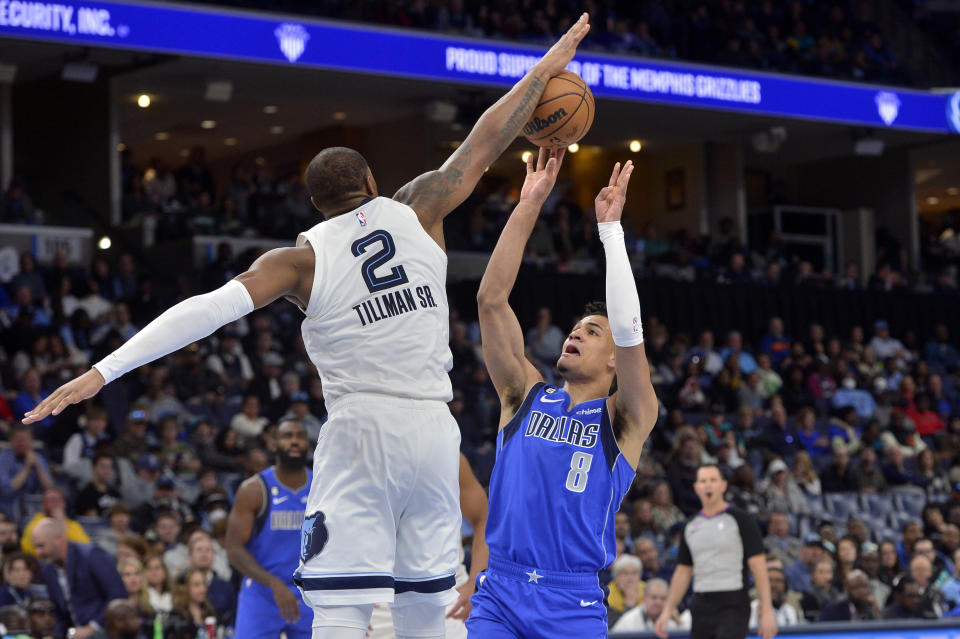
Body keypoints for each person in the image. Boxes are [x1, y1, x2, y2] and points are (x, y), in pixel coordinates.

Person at [23, 17, 591, 639]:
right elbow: (484, 141)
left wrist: (104, 370)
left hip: (361, 431)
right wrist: (541, 73)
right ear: (374, 185)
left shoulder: (300, 259)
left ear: (313, 208)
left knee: (343, 609)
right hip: (435, 429)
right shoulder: (420, 206)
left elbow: (207, 309)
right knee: (428, 606)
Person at [467, 151, 657, 637]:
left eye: (592, 332)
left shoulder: (625, 418)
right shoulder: (524, 396)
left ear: (615, 359)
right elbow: (490, 301)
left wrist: (610, 234)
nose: (575, 334)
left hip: (571, 599)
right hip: (500, 592)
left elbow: (630, 331)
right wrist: (528, 204)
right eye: (575, 329)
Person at [366, 454, 489, 639]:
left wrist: (474, 584)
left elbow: (483, 518)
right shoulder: (358, 451)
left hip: (447, 597)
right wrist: (348, 598)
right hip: (377, 604)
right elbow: (334, 529)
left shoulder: (447, 453)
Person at [655, 464, 777, 639]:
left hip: (733, 602)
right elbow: (683, 572)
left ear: (723, 485)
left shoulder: (742, 520)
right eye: (703, 481)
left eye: (713, 480)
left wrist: (766, 610)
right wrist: (667, 610)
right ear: (696, 488)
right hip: (701, 603)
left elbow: (758, 567)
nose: (708, 485)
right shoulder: (690, 526)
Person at [224, 419, 313, 639]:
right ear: (273, 445)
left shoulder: (322, 486)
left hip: (310, 593)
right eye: (287, 436)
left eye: (300, 436)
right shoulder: (253, 489)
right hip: (262, 592)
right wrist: (273, 583)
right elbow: (234, 550)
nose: (294, 441)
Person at [31, 518, 127, 639]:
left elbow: (118, 596)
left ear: (58, 538)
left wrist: (93, 626)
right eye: (35, 547)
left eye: (41, 545)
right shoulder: (48, 570)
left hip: (106, 630)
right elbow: (61, 615)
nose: (37, 552)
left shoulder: (91, 555)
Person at [612, 578, 691, 632]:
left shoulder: (673, 620)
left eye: (663, 598)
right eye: (654, 597)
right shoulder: (628, 621)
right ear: (644, 599)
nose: (658, 602)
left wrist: (679, 624)